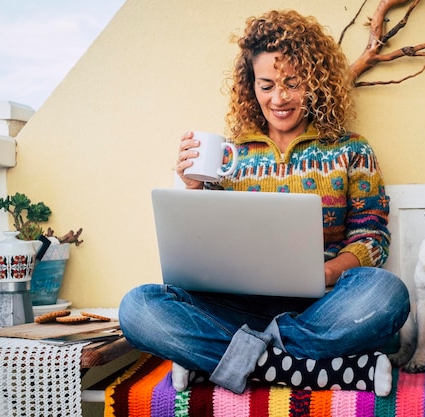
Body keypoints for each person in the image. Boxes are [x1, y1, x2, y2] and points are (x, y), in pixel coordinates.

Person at [119, 9, 409, 397]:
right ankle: (310, 366)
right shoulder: (228, 154)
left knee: (387, 294)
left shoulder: (350, 148)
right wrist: (192, 188)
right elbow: (205, 240)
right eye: (267, 85)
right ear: (251, 86)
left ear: (315, 81)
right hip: (238, 306)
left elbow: (372, 237)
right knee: (138, 308)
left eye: (292, 83)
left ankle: (220, 358)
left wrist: (326, 272)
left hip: (323, 306)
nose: (280, 98)